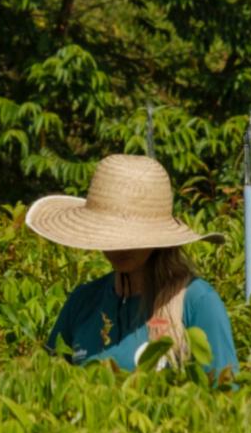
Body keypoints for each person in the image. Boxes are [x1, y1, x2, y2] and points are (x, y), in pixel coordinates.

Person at [28, 153, 238, 377]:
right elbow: (49, 381)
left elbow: (223, 388)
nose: (120, 248)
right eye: (109, 234)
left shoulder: (196, 302)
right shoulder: (83, 301)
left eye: (132, 238)